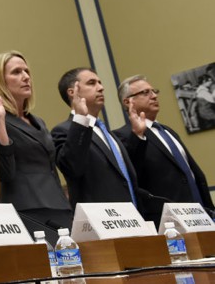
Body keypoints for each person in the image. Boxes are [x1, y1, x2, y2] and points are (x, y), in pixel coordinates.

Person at [0, 51, 72, 244]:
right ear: (0, 81)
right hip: (26, 208)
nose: (26, 77)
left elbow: (51, 168)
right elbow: (5, 172)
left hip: (59, 206)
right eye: (16, 72)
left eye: (26, 71)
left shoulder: (39, 122)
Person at [114, 75, 214, 222]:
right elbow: (133, 173)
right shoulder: (122, 136)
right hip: (168, 220)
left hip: (202, 213)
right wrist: (138, 136)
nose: (154, 96)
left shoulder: (167, 131)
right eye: (145, 92)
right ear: (128, 101)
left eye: (154, 91)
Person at [51, 68, 147, 213]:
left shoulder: (107, 132)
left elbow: (124, 173)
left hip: (133, 216)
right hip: (103, 219)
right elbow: (72, 167)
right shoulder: (63, 131)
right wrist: (81, 119)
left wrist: (138, 135)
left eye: (100, 83)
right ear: (73, 92)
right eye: (92, 83)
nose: (101, 88)